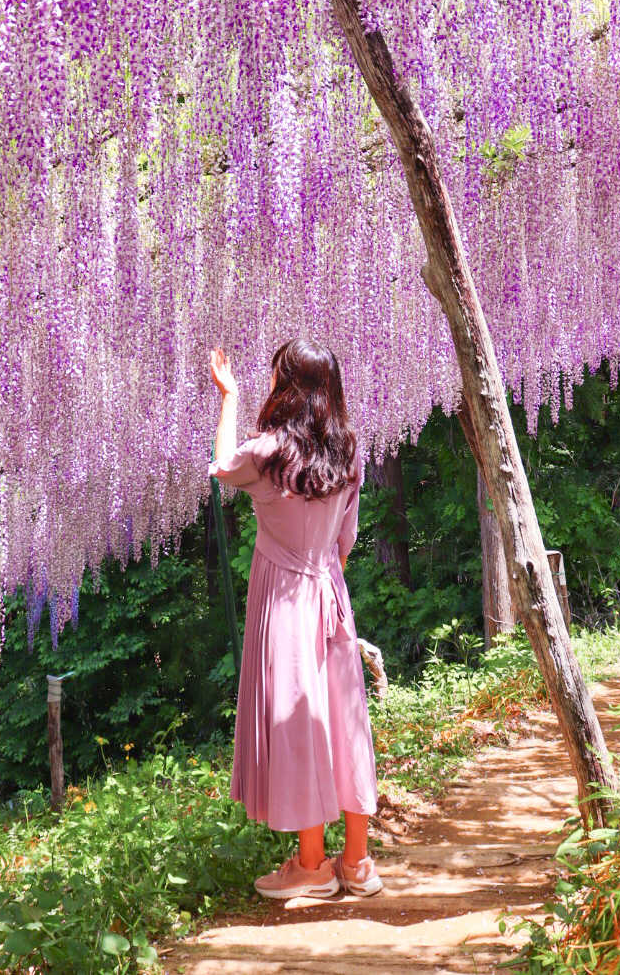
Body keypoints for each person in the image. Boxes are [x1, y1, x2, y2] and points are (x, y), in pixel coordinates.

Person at [209, 338, 380, 900]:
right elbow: (346, 540)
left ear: (286, 386)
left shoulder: (271, 453)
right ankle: (356, 864)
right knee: (343, 715)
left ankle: (311, 866)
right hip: (330, 593)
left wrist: (229, 397)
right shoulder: (348, 451)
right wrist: (326, 578)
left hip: (283, 599)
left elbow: (221, 466)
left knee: (303, 721)